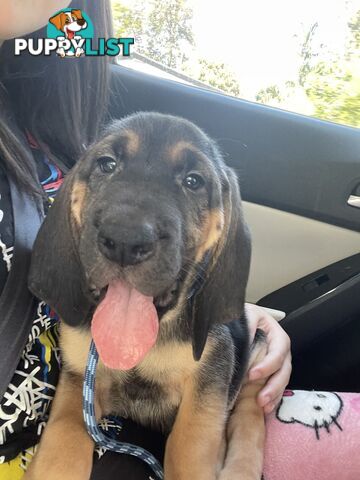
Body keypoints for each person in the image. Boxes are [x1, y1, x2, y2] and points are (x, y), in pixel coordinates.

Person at [0, 1, 291, 478]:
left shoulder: (51, 132)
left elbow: (216, 353)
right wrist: (70, 425)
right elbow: (80, 373)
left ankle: (248, 425)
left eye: (193, 181)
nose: (129, 232)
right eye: (110, 165)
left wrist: (230, 307)